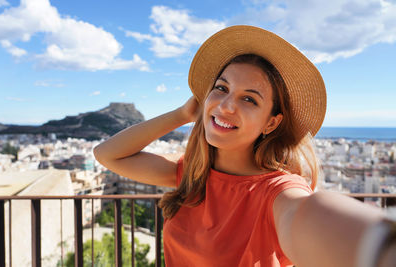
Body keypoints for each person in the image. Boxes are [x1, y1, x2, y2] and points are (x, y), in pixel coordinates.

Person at [93, 25, 396, 267]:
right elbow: (106, 154)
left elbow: (310, 214)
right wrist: (183, 114)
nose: (225, 106)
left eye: (249, 99)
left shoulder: (277, 193)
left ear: (271, 123)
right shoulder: (191, 174)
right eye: (221, 88)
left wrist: (382, 245)